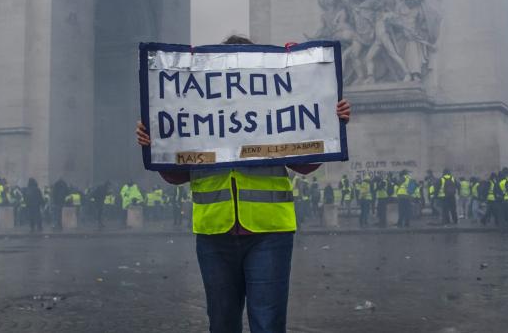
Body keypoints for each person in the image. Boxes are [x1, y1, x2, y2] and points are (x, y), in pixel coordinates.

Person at [135, 34, 352, 333]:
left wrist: (327, 122)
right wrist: (158, 141)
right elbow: (176, 175)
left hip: (269, 233)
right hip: (214, 233)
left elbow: (305, 164)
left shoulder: (273, 114)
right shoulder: (199, 114)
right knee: (222, 325)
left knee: (268, 325)